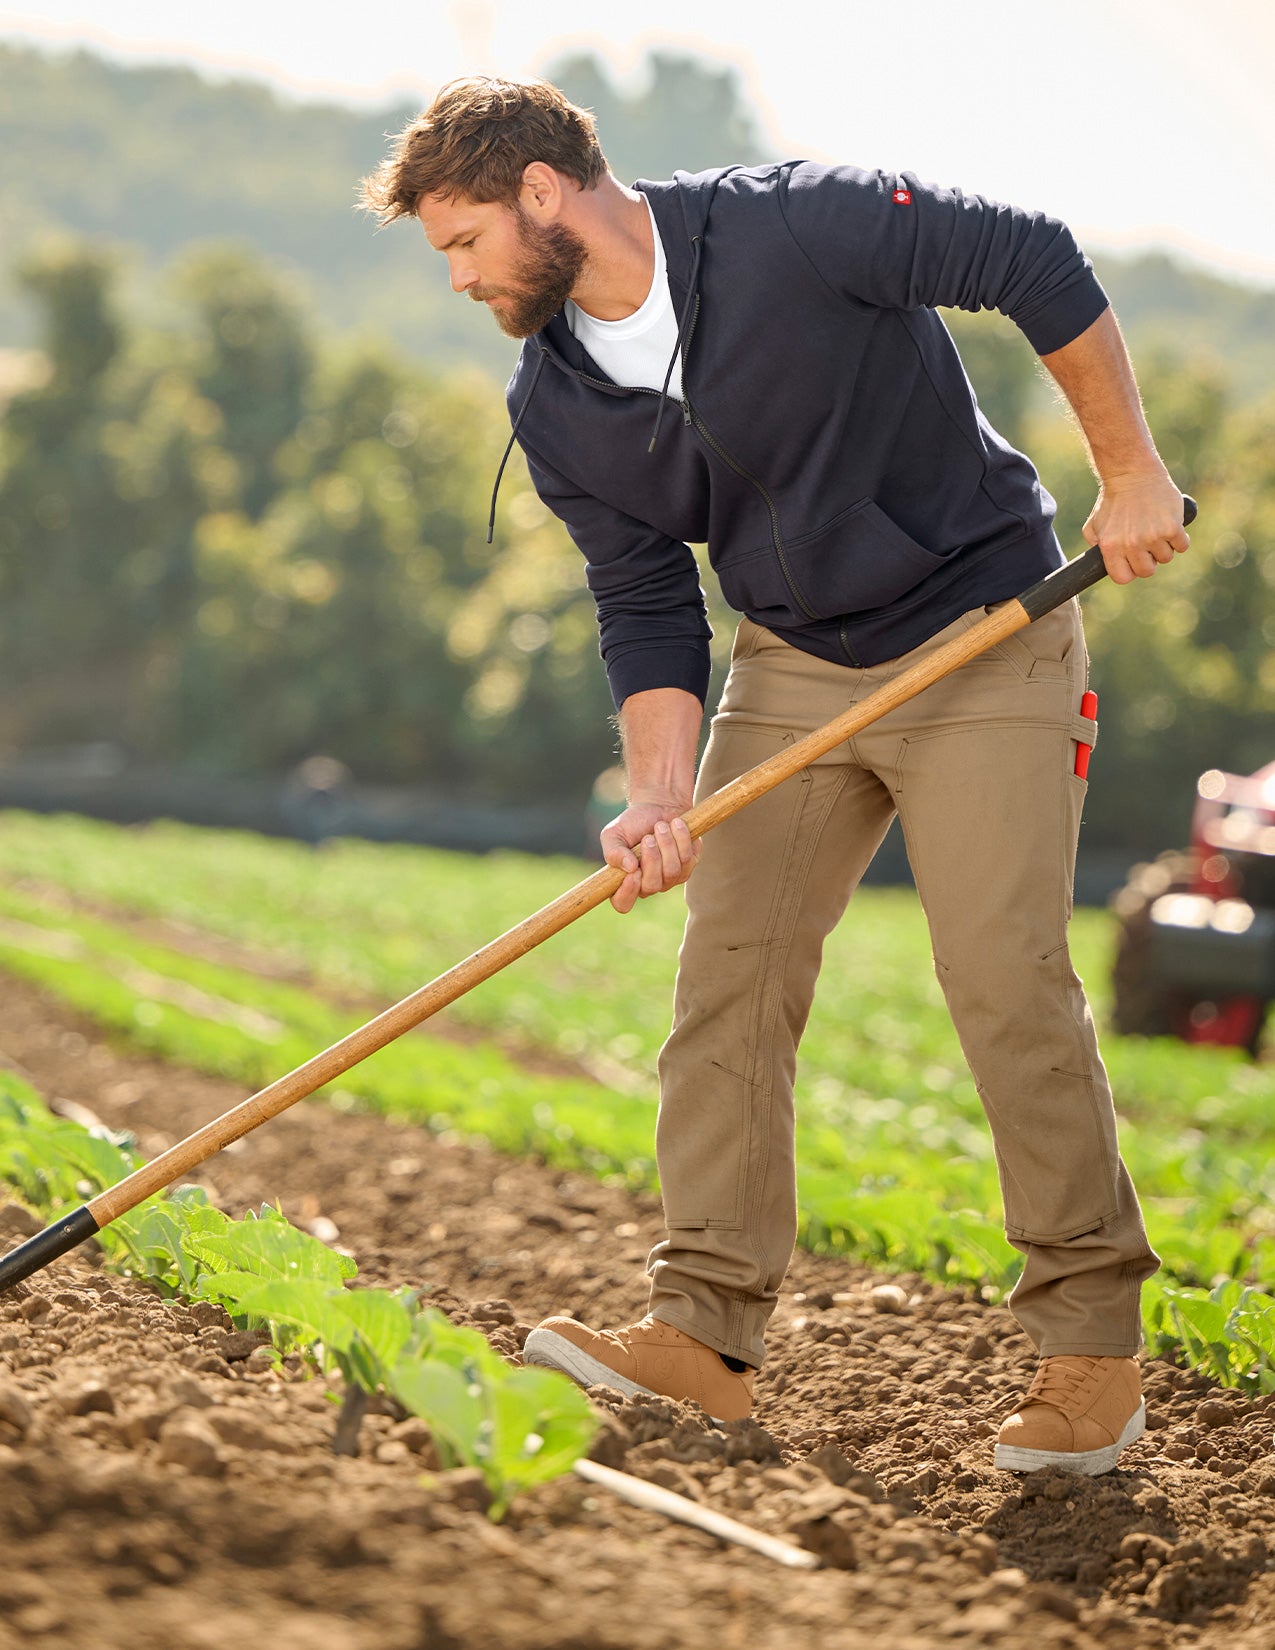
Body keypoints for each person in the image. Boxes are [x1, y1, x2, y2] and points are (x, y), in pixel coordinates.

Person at [362, 76, 1189, 1475]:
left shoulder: (799, 227)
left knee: (1001, 973)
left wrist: (1129, 472)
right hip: (795, 659)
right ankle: (704, 1331)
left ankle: (1091, 1352)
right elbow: (644, 600)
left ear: (542, 192)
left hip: (984, 631)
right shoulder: (557, 400)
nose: (459, 277)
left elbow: (1030, 256)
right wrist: (661, 793)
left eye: (464, 241)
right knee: (728, 976)